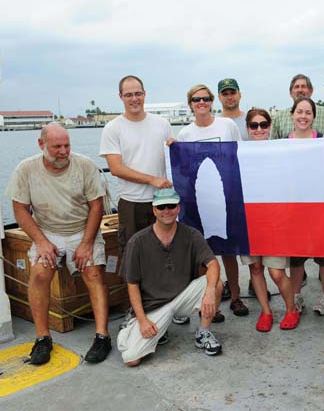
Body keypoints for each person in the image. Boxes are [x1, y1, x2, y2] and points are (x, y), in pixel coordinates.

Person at [6, 123, 111, 365]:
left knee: (93, 273)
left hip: (82, 229)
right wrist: (41, 242)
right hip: (48, 232)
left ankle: (102, 336)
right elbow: (20, 209)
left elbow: (97, 206)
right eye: (57, 147)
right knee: (40, 274)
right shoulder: (26, 169)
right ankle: (43, 338)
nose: (63, 151)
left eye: (67, 145)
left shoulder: (84, 165)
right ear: (41, 145)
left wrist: (86, 243)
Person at [118, 189, 223, 365]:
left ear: (178, 208)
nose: (166, 210)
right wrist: (143, 320)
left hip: (182, 298)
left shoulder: (191, 234)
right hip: (153, 307)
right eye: (161, 206)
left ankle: (203, 332)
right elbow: (132, 284)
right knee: (131, 359)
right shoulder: (137, 242)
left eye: (171, 206)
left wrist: (210, 292)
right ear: (154, 210)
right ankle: (134, 324)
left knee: (216, 284)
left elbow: (212, 263)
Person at [176, 84, 248, 320]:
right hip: (198, 199)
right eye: (196, 99)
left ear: (211, 101)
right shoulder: (185, 134)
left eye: (206, 98)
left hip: (226, 197)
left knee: (229, 251)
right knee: (204, 256)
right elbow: (182, 168)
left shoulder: (226, 126)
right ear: (191, 104)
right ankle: (210, 303)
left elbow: (240, 156)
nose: (202, 102)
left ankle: (235, 297)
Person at [240, 108, 300, 331]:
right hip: (248, 221)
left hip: (275, 221)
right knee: (255, 269)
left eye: (263, 124)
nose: (259, 129)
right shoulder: (241, 152)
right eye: (254, 125)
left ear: (270, 126)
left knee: (276, 272)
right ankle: (266, 311)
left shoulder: (280, 150)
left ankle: (292, 309)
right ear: (247, 128)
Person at [99, 75, 173, 255]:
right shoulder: (112, 128)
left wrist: (177, 148)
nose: (134, 99)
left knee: (164, 252)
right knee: (133, 255)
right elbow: (115, 168)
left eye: (138, 93)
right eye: (129, 95)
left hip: (162, 200)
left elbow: (172, 160)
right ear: (120, 96)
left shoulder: (162, 124)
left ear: (145, 94)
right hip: (132, 203)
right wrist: (152, 180)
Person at [286, 97, 324, 315]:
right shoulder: (283, 143)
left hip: (320, 208)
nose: (303, 116)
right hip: (295, 210)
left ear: (314, 117)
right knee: (296, 258)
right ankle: (296, 296)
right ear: (292, 115)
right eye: (300, 112)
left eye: (308, 112)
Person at [270, 74, 324, 139]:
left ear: (311, 91)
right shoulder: (279, 117)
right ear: (290, 93)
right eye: (296, 87)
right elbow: (273, 144)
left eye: (303, 86)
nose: (300, 90)